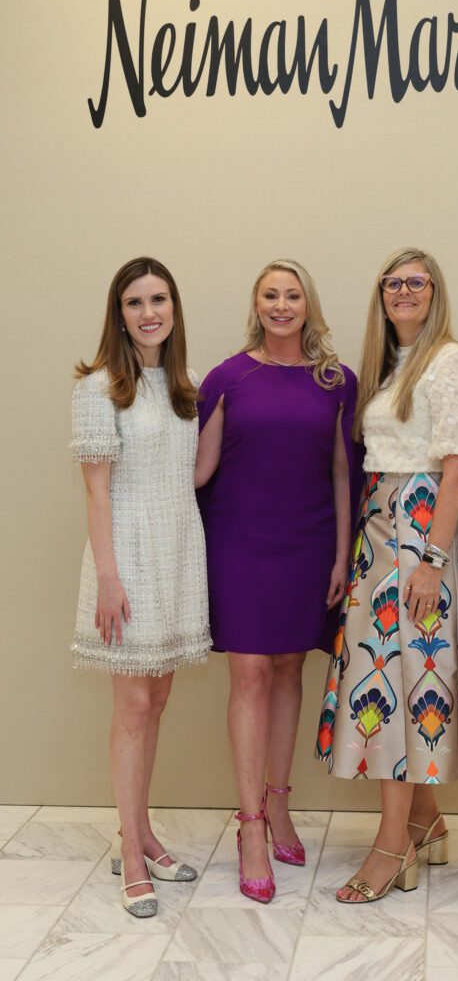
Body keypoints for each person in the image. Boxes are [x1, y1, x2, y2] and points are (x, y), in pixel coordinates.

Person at [316, 246, 458, 904]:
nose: (403, 292)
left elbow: (457, 468)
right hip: (380, 526)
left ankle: (391, 845)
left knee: (402, 681)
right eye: (393, 283)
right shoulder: (389, 365)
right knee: (387, 674)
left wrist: (432, 560)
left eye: (416, 282)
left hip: (422, 531)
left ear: (434, 292)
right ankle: (423, 821)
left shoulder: (446, 361)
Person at [195, 258, 359, 904]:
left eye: (292, 295)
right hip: (238, 542)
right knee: (250, 674)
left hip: (310, 541)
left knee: (290, 669)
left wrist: (342, 555)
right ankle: (251, 826)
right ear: (256, 304)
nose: (282, 305)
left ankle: (281, 804)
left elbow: (346, 474)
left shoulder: (336, 381)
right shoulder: (227, 377)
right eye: (271, 295)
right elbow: (199, 469)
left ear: (307, 305)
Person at [71, 257, 211, 918]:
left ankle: (145, 833)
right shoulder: (99, 387)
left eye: (159, 299)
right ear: (118, 313)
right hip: (126, 556)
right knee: (130, 710)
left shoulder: (184, 387)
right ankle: (129, 855)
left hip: (178, 552)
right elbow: (96, 490)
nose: (149, 311)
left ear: (174, 309)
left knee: (155, 704)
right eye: (135, 302)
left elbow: (196, 473)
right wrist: (107, 577)